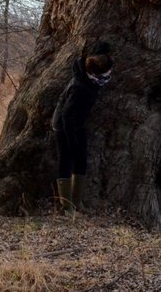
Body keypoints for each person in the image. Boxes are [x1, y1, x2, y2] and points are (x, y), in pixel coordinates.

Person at [51, 41, 113, 212]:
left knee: (81, 160)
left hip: (77, 123)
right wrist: (72, 139)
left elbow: (99, 52)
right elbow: (66, 115)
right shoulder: (81, 87)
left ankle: (77, 203)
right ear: (96, 73)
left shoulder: (90, 76)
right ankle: (67, 207)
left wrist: (104, 48)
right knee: (66, 159)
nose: (108, 75)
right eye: (106, 73)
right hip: (63, 126)